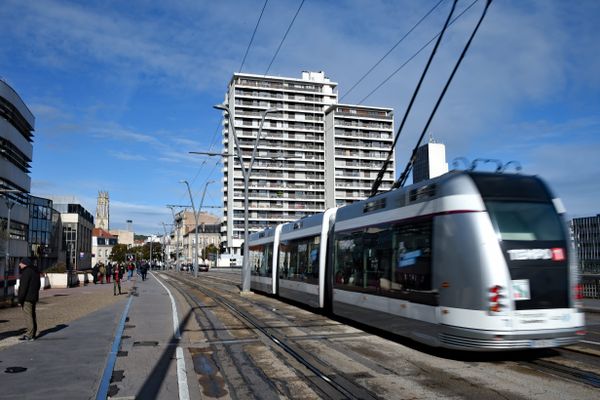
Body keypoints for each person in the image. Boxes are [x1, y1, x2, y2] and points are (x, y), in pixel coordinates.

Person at [17, 258, 41, 341]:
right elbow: (38, 285)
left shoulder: (26, 272)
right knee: (32, 315)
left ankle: (29, 335)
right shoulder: (35, 271)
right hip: (33, 297)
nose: (19, 265)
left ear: (25, 264)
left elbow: (23, 287)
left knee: (28, 316)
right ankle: (33, 333)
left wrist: (20, 299)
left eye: (20, 263)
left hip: (27, 298)